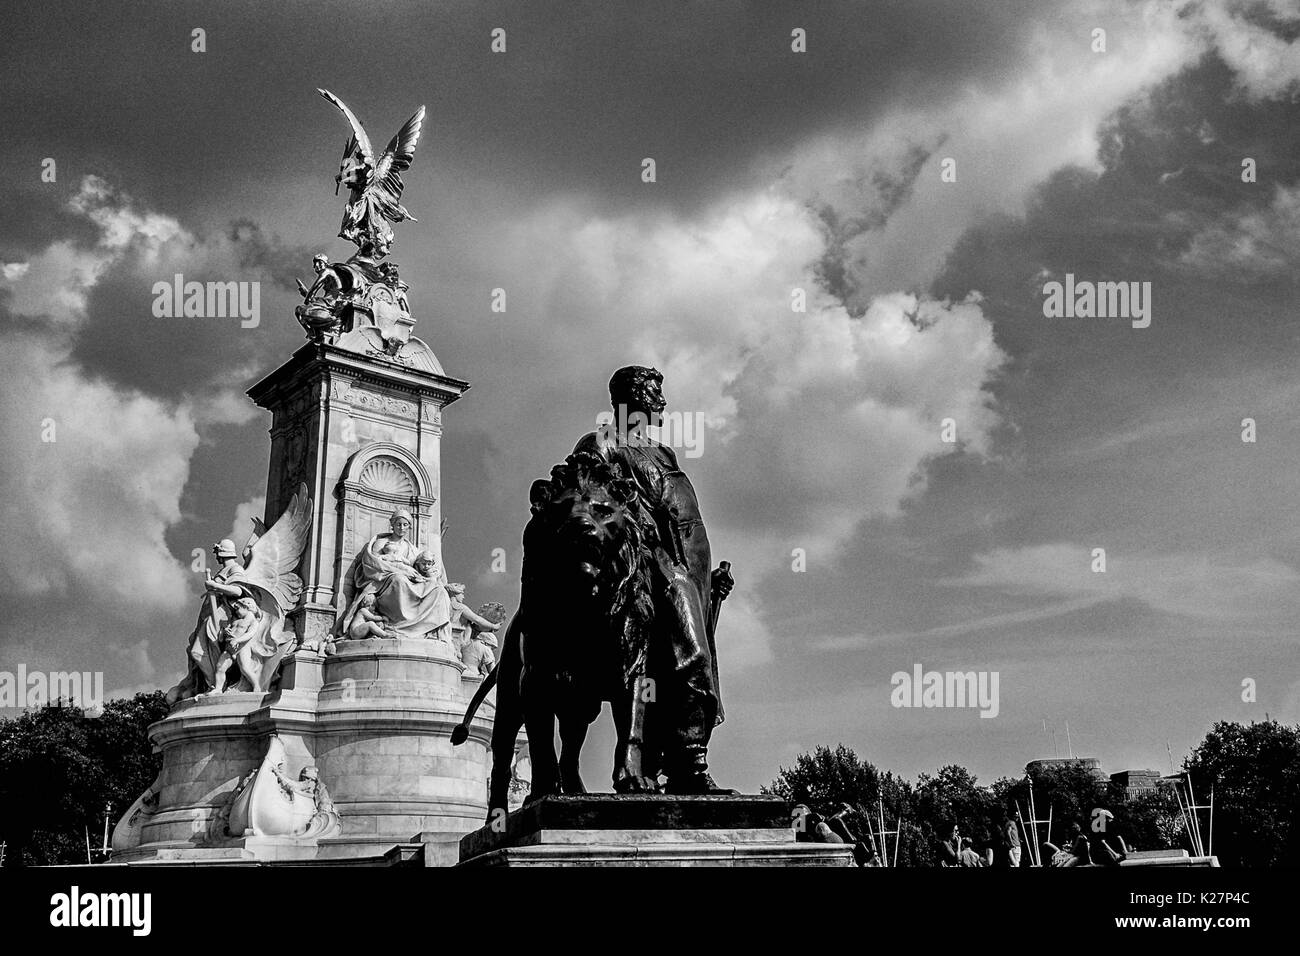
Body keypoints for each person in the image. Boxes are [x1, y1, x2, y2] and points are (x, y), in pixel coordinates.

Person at [571, 366, 733, 794]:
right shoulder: (602, 444)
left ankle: (684, 765)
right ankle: (689, 765)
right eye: (652, 394)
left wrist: (707, 579)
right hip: (649, 564)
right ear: (628, 399)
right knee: (690, 657)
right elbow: (581, 501)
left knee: (696, 660)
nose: (661, 403)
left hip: (689, 571)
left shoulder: (664, 453)